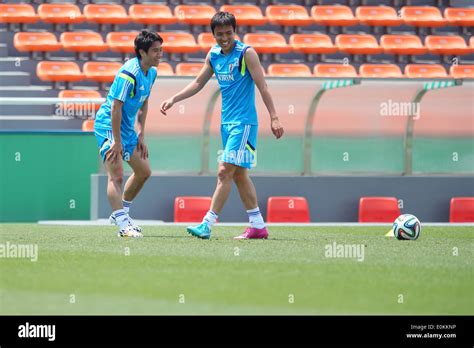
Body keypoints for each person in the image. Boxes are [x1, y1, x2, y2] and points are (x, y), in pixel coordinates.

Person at [160, 12, 284, 240]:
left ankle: (207, 223)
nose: (224, 38)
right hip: (226, 125)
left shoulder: (246, 54)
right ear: (213, 35)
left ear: (235, 32)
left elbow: (263, 86)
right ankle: (258, 226)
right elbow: (198, 82)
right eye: (220, 34)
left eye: (229, 33)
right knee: (239, 175)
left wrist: (274, 117)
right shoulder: (214, 55)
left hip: (244, 124)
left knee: (224, 171)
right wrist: (174, 99)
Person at [94, 30, 163, 238]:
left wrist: (141, 133)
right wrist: (116, 141)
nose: (160, 54)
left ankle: (121, 213)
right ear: (142, 52)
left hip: (127, 129)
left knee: (144, 172)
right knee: (116, 175)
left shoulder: (151, 72)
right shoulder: (128, 74)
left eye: (161, 50)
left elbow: (145, 101)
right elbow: (116, 108)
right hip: (109, 125)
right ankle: (124, 227)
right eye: (155, 51)